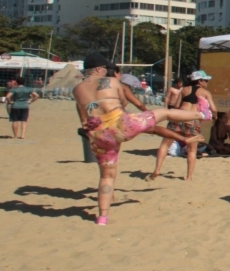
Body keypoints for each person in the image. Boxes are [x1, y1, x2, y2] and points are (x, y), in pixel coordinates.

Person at [73, 54, 204, 225]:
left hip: (98, 133)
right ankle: (201, 113)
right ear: (99, 69)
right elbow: (122, 101)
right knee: (164, 113)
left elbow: (83, 117)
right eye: (105, 68)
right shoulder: (111, 82)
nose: (107, 71)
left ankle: (102, 216)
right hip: (121, 124)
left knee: (107, 176)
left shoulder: (77, 90)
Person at [149, 71, 216, 181]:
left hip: (178, 117)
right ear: (199, 81)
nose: (207, 82)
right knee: (191, 150)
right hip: (193, 120)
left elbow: (176, 105)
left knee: (165, 144)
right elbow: (213, 109)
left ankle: (157, 169)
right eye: (206, 80)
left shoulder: (184, 90)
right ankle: (189, 176)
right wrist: (215, 117)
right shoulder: (205, 93)